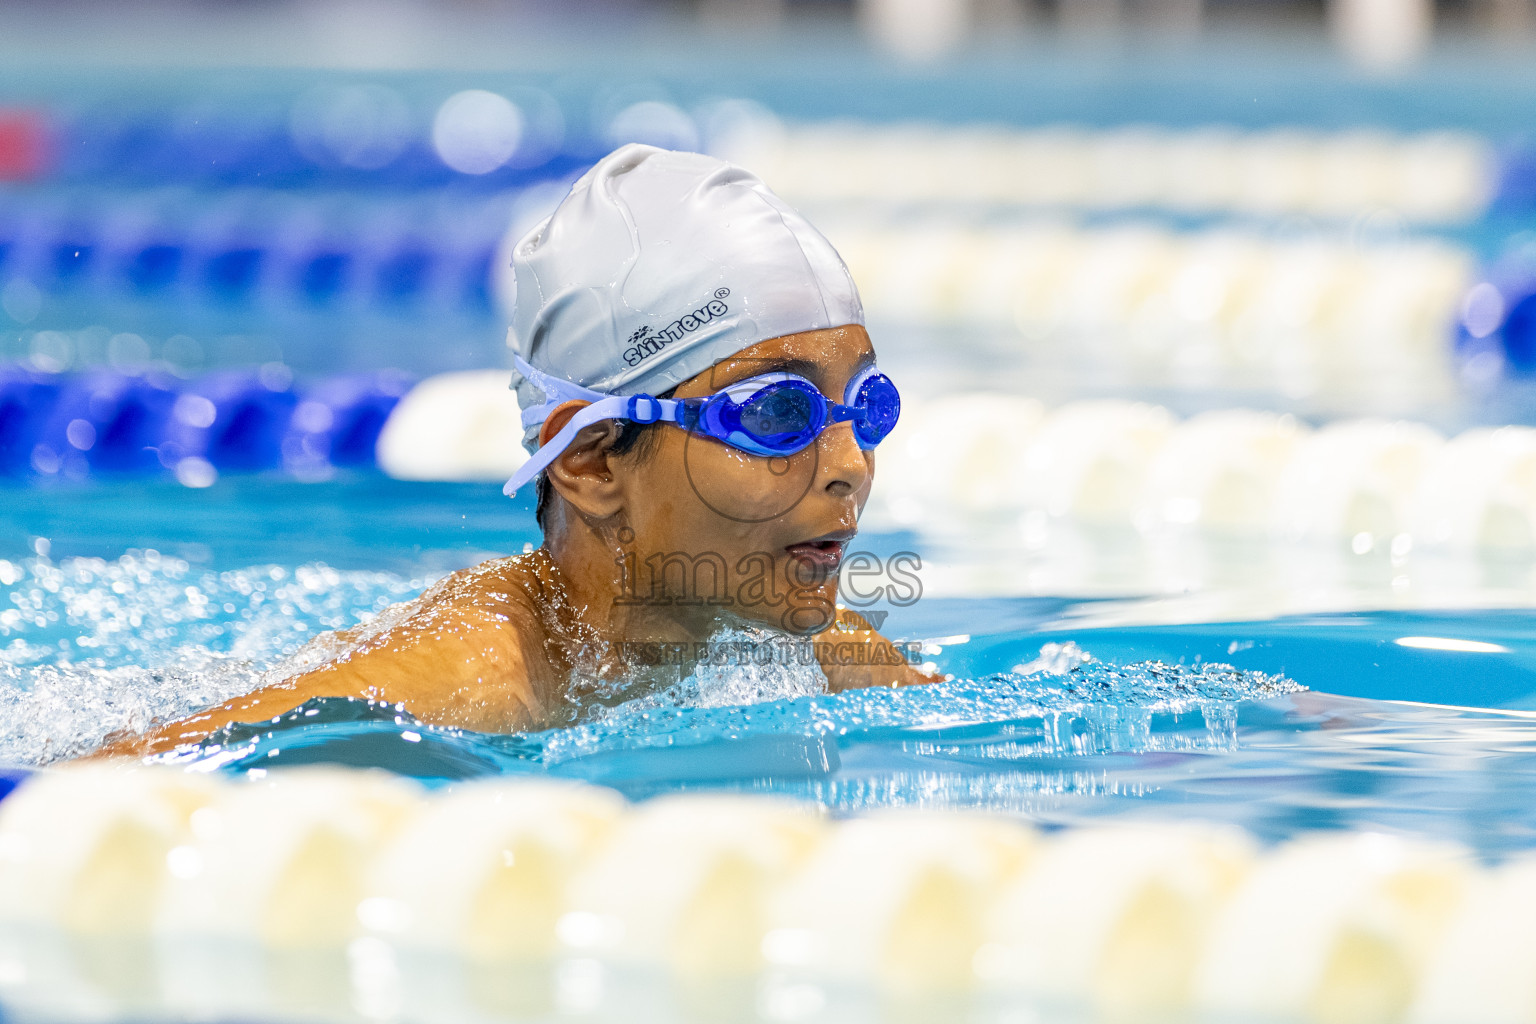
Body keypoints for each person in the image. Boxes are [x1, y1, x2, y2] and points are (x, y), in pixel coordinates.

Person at [91, 144, 938, 760]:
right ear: (592, 461)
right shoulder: (464, 685)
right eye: (779, 414)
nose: (850, 465)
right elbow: (108, 796)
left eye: (867, 406)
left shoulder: (818, 650)